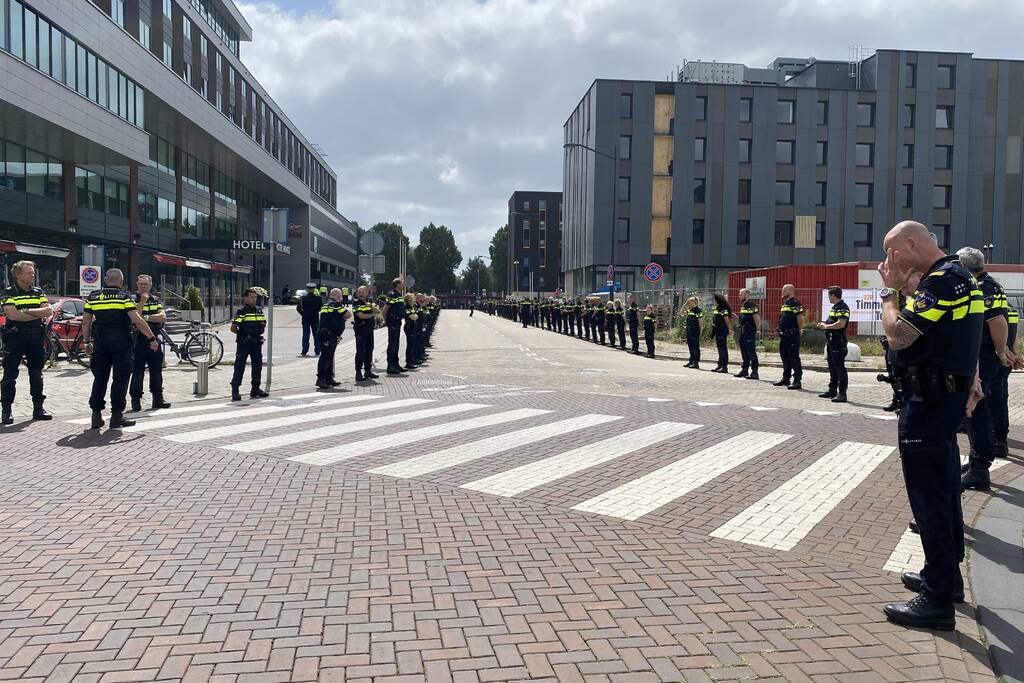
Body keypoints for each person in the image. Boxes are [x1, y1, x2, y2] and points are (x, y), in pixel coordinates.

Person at [878, 220, 984, 631]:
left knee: (930, 498)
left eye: (891, 252)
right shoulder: (960, 276)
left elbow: (900, 336)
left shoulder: (941, 281)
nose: (888, 262)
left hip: (929, 403)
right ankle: (946, 579)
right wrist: (973, 377)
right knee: (944, 491)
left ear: (910, 244)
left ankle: (936, 600)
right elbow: (955, 334)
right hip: (944, 398)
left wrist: (888, 294)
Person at [957, 247, 1017, 491]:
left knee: (978, 408)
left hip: (984, 356)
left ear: (963, 265)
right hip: (982, 356)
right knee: (975, 410)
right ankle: (976, 462)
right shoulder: (985, 283)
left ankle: (980, 468)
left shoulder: (984, 287)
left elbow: (998, 320)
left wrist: (1002, 352)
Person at [81, 269, 160, 429]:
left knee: (100, 378)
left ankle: (96, 415)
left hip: (101, 343)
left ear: (105, 280)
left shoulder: (93, 297)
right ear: (121, 282)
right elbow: (137, 320)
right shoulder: (124, 297)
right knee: (120, 379)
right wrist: (152, 338)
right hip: (121, 343)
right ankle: (117, 416)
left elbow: (86, 321)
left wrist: (86, 342)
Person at [1, 260, 52, 424]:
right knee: (10, 374)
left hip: (36, 337)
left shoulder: (38, 291)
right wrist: (36, 313)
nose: (33, 275)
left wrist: (26, 310)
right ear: (18, 274)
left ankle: (38, 409)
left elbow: (48, 310)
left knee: (37, 374)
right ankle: (6, 411)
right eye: (29, 272)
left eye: (33, 272)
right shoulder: (8, 292)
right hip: (15, 337)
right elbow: (13, 315)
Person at [129, 274, 171, 412]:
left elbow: (162, 317)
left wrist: (145, 317)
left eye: (145, 284)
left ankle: (158, 399)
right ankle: (136, 400)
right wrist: (142, 302)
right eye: (140, 284)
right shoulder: (131, 299)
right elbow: (135, 318)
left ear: (150, 285)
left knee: (156, 371)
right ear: (137, 284)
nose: (142, 286)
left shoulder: (155, 300)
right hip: (138, 340)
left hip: (155, 339)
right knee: (137, 372)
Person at [229, 288, 270, 401]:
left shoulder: (259, 310)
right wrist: (243, 335)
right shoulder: (242, 311)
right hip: (244, 343)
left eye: (255, 297)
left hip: (256, 343)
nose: (254, 299)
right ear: (245, 298)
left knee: (257, 366)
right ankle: (235, 390)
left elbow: (263, 324)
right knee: (239, 366)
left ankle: (255, 389)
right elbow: (233, 328)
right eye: (252, 297)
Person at [991, 304, 1018, 458]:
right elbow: (1014, 333)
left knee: (992, 402)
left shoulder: (989, 302)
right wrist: (1014, 354)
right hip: (1005, 360)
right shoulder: (1010, 307)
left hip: (995, 359)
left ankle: (997, 441)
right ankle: (1001, 440)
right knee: (1001, 400)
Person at [816, 286, 851, 402]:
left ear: (833, 295)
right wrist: (824, 324)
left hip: (838, 341)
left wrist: (826, 326)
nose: (828, 298)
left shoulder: (842, 307)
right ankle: (832, 390)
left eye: (829, 295)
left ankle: (842, 393)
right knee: (832, 366)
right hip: (831, 341)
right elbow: (832, 321)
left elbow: (841, 324)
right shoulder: (835, 307)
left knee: (839, 367)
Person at [316, 288, 351, 389]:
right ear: (337, 296)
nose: (341, 298)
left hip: (325, 334)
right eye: (340, 296)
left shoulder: (326, 304)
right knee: (326, 357)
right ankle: (321, 379)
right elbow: (348, 314)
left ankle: (328, 378)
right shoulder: (336, 305)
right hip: (329, 335)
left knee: (329, 357)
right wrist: (342, 318)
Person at [774, 284, 804, 390]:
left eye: (784, 290)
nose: (782, 292)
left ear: (790, 291)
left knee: (794, 358)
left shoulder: (795, 303)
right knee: (785, 358)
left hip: (792, 335)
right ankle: (786, 378)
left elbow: (800, 318)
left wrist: (799, 329)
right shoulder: (785, 304)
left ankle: (797, 381)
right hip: (784, 335)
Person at [380, 277, 407, 375]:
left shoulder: (399, 295)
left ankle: (396, 364)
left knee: (396, 343)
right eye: (402, 283)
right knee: (392, 344)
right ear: (398, 285)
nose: (403, 285)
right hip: (393, 321)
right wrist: (384, 321)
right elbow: (385, 309)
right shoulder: (392, 295)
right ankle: (390, 366)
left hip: (397, 321)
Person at [352, 286, 379, 382]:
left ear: (367, 293)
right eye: (359, 292)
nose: (361, 294)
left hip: (369, 329)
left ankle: (368, 371)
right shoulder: (356, 302)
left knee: (369, 349)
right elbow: (361, 316)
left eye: (363, 292)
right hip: (361, 329)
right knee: (360, 351)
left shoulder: (369, 301)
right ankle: (358, 372)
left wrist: (372, 307)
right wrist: (372, 314)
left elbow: (378, 311)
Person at [735, 289, 760, 380]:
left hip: (749, 332)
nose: (739, 296)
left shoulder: (751, 304)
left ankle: (754, 372)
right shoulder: (744, 305)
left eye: (741, 294)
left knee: (751, 352)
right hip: (743, 331)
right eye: (739, 294)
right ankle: (744, 370)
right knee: (744, 352)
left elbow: (756, 318)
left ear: (747, 295)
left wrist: (757, 330)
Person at [297, 282, 323, 356]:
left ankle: (304, 351)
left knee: (305, 335)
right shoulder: (318, 298)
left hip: (305, 319)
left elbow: (298, 308)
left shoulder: (302, 298)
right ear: (314, 289)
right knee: (316, 335)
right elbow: (320, 308)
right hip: (315, 318)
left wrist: (303, 314)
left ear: (307, 289)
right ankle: (317, 350)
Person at [711, 294, 732, 373]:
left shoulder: (723, 309)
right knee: (720, 349)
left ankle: (724, 367)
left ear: (718, 300)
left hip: (722, 331)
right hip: (717, 331)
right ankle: (719, 365)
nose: (713, 301)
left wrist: (729, 329)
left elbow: (727, 320)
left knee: (723, 349)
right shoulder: (717, 308)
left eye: (714, 300)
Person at [682, 296, 702, 368]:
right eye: (688, 301)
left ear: (694, 302)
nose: (689, 303)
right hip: (689, 330)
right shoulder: (690, 310)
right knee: (690, 346)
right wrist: (685, 304)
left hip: (695, 330)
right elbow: (681, 312)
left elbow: (700, 321)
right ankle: (691, 361)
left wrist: (701, 329)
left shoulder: (697, 310)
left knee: (695, 346)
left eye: (690, 301)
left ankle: (696, 362)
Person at [404, 293, 421, 369]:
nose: (412, 300)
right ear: (407, 300)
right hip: (409, 327)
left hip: (413, 327)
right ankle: (408, 362)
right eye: (410, 299)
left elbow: (416, 315)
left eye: (412, 298)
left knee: (412, 345)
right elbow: (413, 317)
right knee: (410, 346)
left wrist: (415, 316)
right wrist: (415, 316)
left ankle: (411, 360)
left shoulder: (411, 307)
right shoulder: (406, 307)